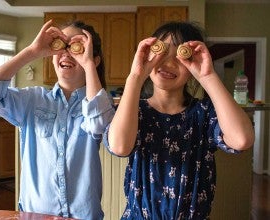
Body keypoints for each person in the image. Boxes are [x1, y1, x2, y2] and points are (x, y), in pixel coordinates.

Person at [103, 21, 255, 219]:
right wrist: (135, 76)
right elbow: (120, 146)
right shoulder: (135, 111)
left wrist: (207, 76)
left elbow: (242, 139)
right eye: (162, 52)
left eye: (180, 55)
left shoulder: (204, 113)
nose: (169, 62)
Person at [0, 19, 115, 220]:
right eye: (61, 45)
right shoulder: (32, 100)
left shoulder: (99, 102)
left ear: (94, 58)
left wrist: (89, 63)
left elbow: (99, 124)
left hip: (83, 216)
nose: (67, 52)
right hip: (35, 215)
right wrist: (32, 52)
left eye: (77, 48)